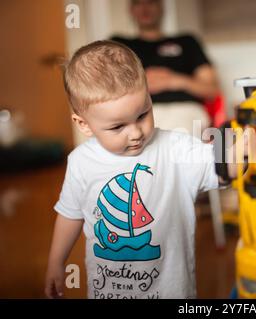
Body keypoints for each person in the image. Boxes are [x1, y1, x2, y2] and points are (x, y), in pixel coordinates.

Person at [44, 40, 233, 299]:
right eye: (117, 127)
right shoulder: (80, 162)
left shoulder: (175, 148)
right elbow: (70, 214)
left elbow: (219, 165)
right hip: (106, 293)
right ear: (83, 124)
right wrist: (56, 261)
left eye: (143, 115)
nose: (135, 133)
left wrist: (239, 150)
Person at [112, 0, 221, 135]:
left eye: (150, 3)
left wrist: (174, 80)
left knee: (178, 136)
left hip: (185, 110)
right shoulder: (119, 45)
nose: (145, 8)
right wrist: (142, 84)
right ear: (131, 9)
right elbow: (105, 89)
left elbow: (212, 90)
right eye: (138, 3)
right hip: (138, 112)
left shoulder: (187, 42)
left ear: (162, 7)